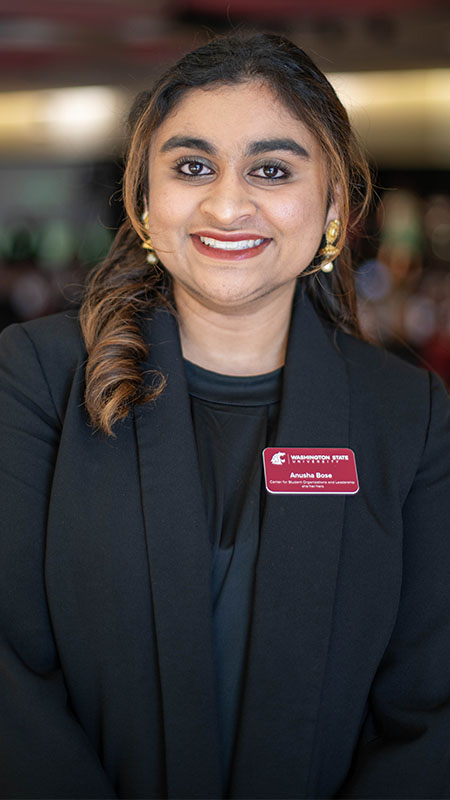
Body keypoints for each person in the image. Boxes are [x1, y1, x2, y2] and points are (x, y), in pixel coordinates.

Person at [0, 31, 449, 800]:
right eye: (193, 167)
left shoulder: (408, 415)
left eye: (272, 169)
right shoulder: (37, 375)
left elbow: (428, 711)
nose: (228, 202)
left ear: (335, 204)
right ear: (145, 200)